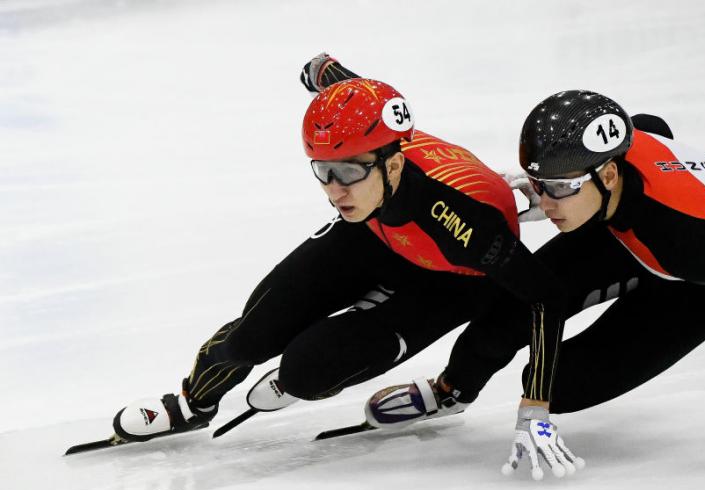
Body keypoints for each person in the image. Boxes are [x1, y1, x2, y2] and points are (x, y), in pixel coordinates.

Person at [110, 54, 566, 444]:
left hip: (449, 279)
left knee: (306, 371)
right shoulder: (368, 167)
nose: (334, 190)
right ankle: (192, 404)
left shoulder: (464, 225)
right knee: (252, 337)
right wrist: (323, 69)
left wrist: (508, 397)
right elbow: (352, 90)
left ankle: (337, 377)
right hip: (374, 231)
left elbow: (544, 297)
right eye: (322, 172)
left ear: (393, 162)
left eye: (346, 173)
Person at [368, 90, 705, 480]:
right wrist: (556, 191)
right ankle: (452, 391)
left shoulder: (681, 238)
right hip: (623, 223)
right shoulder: (607, 165)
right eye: (540, 185)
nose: (546, 201)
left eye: (559, 188)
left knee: (560, 386)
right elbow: (649, 126)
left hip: (704, 288)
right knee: (514, 305)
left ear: (609, 175)